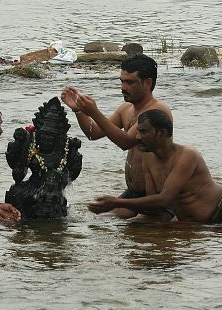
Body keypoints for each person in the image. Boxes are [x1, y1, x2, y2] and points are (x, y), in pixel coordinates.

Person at [88, 110, 222, 229]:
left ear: (162, 133)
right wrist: (117, 213)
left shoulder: (186, 155)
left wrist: (116, 202)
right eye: (138, 132)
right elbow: (156, 207)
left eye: (144, 132)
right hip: (194, 222)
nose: (138, 137)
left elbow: (164, 198)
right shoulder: (147, 159)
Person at [61, 54, 173, 220]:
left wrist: (94, 112)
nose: (123, 87)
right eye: (121, 81)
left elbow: (126, 142)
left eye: (129, 82)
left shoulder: (157, 111)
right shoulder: (126, 109)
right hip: (133, 193)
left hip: (154, 196)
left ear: (147, 83)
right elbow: (94, 133)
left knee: (128, 231)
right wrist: (79, 111)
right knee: (94, 219)